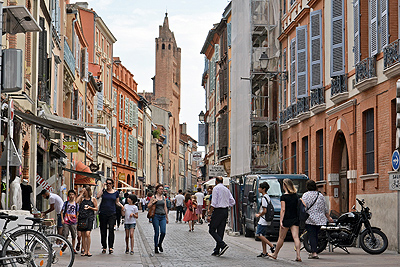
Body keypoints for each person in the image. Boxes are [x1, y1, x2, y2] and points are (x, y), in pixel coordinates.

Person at [268, 179, 302, 262]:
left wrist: (281, 221)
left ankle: (275, 254)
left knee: (281, 238)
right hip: (295, 218)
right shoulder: (296, 196)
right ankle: (298, 255)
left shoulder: (284, 197)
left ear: (285, 186)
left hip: (286, 218)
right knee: (296, 237)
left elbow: (283, 210)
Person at [302, 180, 333, 259]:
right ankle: (315, 250)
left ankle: (314, 253)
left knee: (312, 235)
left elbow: (303, 207)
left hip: (309, 219)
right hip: (319, 219)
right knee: (316, 235)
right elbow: (325, 208)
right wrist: (328, 217)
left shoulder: (305, 195)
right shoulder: (320, 195)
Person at [208, 176, 235, 257]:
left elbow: (214, 202)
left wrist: (209, 213)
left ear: (216, 181)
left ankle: (222, 245)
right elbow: (233, 202)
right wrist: (226, 204)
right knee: (220, 230)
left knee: (212, 229)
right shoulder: (226, 189)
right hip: (225, 211)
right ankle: (217, 249)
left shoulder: (216, 188)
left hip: (218, 211)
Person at [97, 178, 125, 254]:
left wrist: (122, 206)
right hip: (103, 213)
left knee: (111, 230)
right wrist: (102, 187)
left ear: (112, 184)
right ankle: (104, 247)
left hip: (112, 213)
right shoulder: (104, 191)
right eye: (107, 183)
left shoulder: (116, 193)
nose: (108, 185)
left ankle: (110, 247)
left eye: (110, 183)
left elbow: (117, 202)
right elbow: (98, 196)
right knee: (103, 231)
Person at [255, 182, 276, 257]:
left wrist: (259, 215)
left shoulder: (264, 198)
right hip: (266, 219)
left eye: (260, 187)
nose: (258, 189)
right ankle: (264, 252)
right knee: (263, 235)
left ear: (263, 189)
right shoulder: (267, 196)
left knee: (258, 234)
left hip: (263, 220)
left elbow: (265, 210)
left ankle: (272, 246)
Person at [76, 186, 97, 257]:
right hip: (82, 217)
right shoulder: (82, 199)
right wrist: (81, 194)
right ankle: (85, 250)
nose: (84, 193)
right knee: (83, 235)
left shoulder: (93, 199)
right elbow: (76, 202)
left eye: (84, 191)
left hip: (89, 218)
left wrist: (90, 208)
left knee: (88, 234)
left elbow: (96, 208)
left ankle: (88, 250)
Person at [147, 184, 169, 254]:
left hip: (162, 216)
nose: (161, 190)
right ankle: (156, 246)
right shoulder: (153, 197)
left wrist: (167, 217)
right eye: (160, 189)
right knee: (156, 232)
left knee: (163, 232)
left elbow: (165, 207)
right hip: (156, 216)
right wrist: (153, 202)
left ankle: (160, 243)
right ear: (157, 190)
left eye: (162, 189)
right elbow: (148, 206)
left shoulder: (163, 197)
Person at [61, 190, 79, 254]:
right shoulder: (66, 203)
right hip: (66, 220)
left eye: (72, 194)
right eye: (70, 195)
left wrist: (76, 219)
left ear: (74, 195)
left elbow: (77, 212)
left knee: (74, 235)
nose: (71, 196)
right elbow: (62, 211)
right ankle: (66, 243)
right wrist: (62, 219)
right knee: (65, 234)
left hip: (73, 221)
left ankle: (73, 248)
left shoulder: (76, 204)